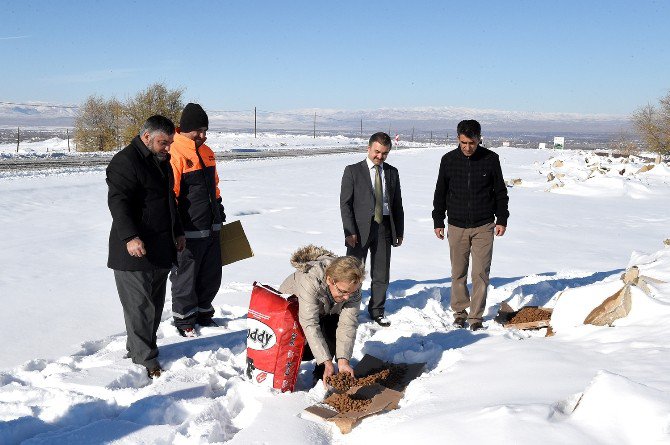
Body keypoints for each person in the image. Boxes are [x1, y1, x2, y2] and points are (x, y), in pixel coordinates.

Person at [107, 115, 185, 378]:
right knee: (140, 307)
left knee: (153, 305)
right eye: (163, 143)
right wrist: (130, 237)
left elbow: (168, 203)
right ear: (147, 137)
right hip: (134, 251)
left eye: (170, 143)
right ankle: (146, 361)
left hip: (160, 248)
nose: (168, 148)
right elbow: (119, 203)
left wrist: (178, 232)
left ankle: (139, 349)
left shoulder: (161, 161)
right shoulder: (125, 162)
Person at [432, 120, 509, 331]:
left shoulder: (490, 159)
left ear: (479, 139)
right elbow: (440, 192)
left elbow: (500, 192)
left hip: (484, 225)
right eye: (464, 142)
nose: (467, 147)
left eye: (472, 143)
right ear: (458, 138)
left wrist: (502, 219)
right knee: (458, 272)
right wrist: (438, 220)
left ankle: (476, 316)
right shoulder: (448, 160)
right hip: (456, 226)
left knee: (480, 274)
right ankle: (459, 312)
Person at [169, 103, 226, 337]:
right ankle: (184, 321)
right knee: (185, 278)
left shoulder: (207, 151)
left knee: (211, 275)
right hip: (188, 232)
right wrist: (175, 229)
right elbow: (170, 194)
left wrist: (219, 210)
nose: (202, 136)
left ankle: (204, 313)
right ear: (184, 129)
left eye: (205, 131)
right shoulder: (175, 152)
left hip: (211, 227)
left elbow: (215, 186)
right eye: (198, 131)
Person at [340, 132, 404, 327]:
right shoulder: (352, 171)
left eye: (384, 153)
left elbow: (397, 204)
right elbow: (345, 204)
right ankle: (349, 311)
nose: (380, 157)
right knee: (351, 273)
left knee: (381, 273)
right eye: (377, 152)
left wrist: (398, 231)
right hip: (358, 232)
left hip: (384, 227)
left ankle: (377, 310)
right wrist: (349, 231)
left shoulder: (392, 172)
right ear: (368, 149)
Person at [279, 245, 365, 386]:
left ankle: (322, 375)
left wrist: (343, 361)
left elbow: (348, 324)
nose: (347, 297)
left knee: (334, 325)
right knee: (296, 348)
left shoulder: (352, 286)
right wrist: (325, 360)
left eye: (351, 293)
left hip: (324, 311)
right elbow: (309, 323)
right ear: (330, 280)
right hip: (290, 314)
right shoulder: (310, 280)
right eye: (343, 292)